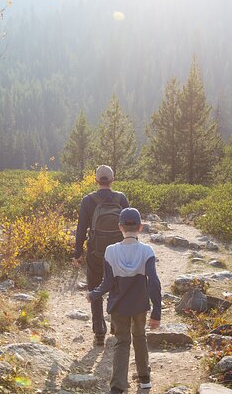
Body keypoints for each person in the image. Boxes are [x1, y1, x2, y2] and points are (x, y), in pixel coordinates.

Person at [87, 207, 161, 393]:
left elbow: (107, 283)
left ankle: (117, 387)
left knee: (122, 342)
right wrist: (156, 312)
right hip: (140, 306)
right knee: (139, 338)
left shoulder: (110, 251)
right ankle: (144, 379)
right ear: (140, 227)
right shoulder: (147, 251)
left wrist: (93, 294)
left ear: (120, 227)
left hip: (119, 307)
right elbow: (154, 283)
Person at [73, 164, 129, 346]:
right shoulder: (121, 198)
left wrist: (77, 253)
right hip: (118, 252)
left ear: (96, 180)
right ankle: (115, 325)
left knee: (95, 288)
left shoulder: (88, 200)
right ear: (112, 180)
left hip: (96, 253)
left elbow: (81, 229)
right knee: (117, 286)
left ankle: (99, 333)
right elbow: (130, 227)